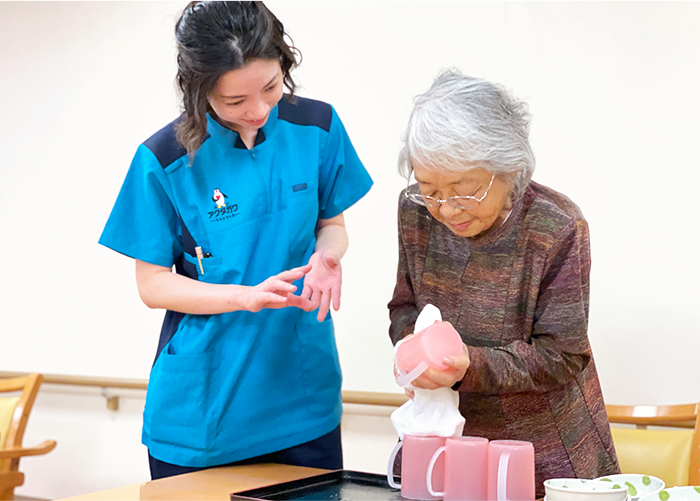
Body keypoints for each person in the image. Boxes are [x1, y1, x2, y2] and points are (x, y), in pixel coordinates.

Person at [99, 0, 372, 480]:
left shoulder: (317, 127)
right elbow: (153, 285)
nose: (260, 110)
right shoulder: (163, 159)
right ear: (199, 90)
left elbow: (333, 224)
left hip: (302, 397)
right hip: (204, 410)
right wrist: (242, 297)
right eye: (235, 101)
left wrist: (328, 255)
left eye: (270, 87)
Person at [388, 69, 619, 495]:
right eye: (430, 188)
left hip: (541, 452)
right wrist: (412, 349)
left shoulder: (557, 226)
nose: (447, 208)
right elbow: (405, 307)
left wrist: (468, 366)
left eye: (465, 189)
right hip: (446, 443)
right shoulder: (415, 211)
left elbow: (562, 355)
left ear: (510, 168)